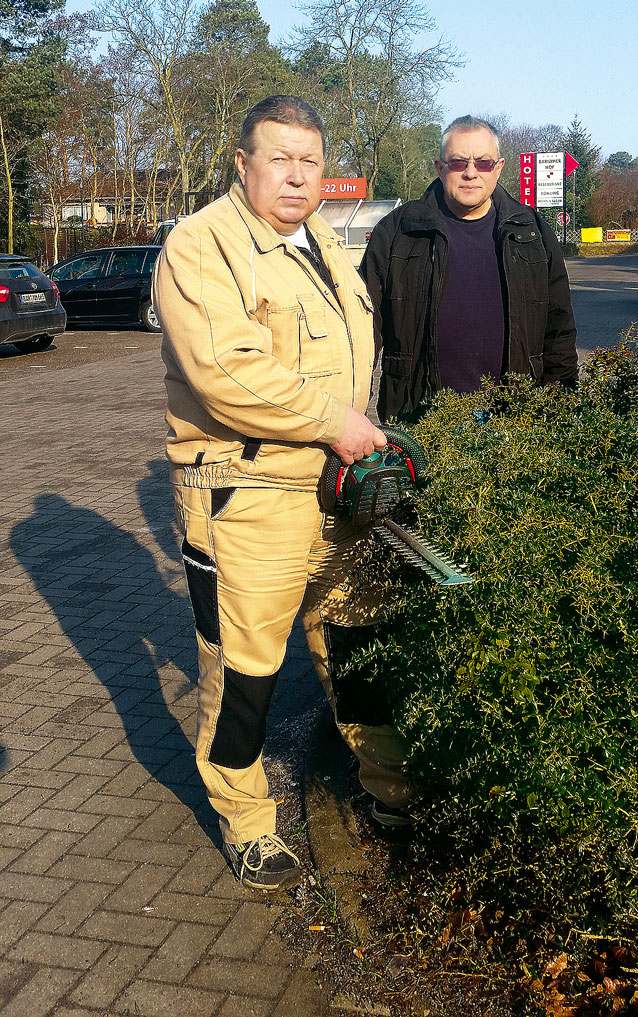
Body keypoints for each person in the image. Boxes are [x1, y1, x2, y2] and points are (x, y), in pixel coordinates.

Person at [153, 95, 411, 893]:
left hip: (336, 490)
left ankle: (388, 787)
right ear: (242, 163)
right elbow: (228, 374)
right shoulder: (202, 246)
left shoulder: (330, 248)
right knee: (245, 674)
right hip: (247, 493)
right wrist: (340, 422)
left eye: (309, 160)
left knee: (362, 645)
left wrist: (366, 436)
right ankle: (247, 821)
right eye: (278, 158)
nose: (296, 176)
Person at [361, 115, 578, 422]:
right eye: (459, 163)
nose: (471, 173)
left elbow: (559, 332)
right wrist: (351, 412)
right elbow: (362, 331)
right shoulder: (398, 232)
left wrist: (562, 409)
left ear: (499, 167)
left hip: (513, 418)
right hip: (419, 414)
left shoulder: (533, 233)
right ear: (440, 168)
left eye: (484, 163)